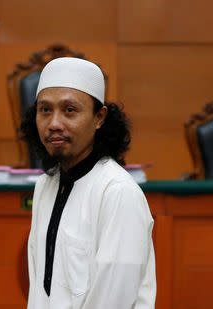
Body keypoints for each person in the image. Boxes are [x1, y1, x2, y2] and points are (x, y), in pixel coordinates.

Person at [21, 57, 156, 308]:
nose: (54, 124)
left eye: (69, 110)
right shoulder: (45, 186)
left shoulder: (117, 192)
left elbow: (113, 300)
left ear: (99, 118)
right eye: (45, 110)